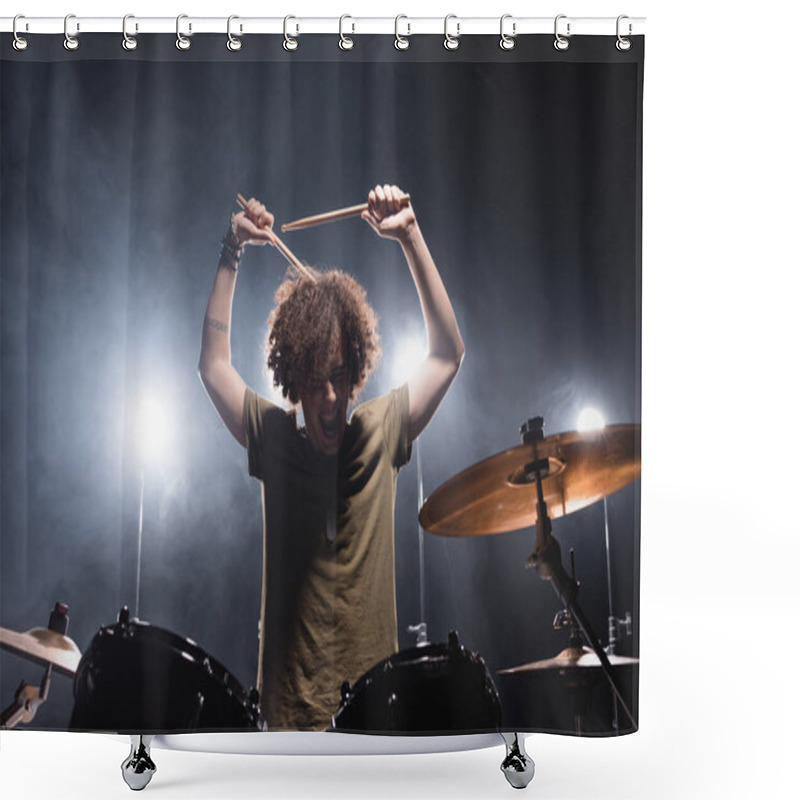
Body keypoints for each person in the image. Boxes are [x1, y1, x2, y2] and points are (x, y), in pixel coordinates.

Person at [198, 184, 464, 730]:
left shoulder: (379, 430)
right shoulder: (274, 439)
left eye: (339, 378)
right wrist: (233, 249)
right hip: (287, 723)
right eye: (314, 381)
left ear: (355, 374)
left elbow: (447, 354)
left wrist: (410, 235)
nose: (327, 399)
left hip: (373, 719)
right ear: (293, 380)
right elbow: (213, 366)